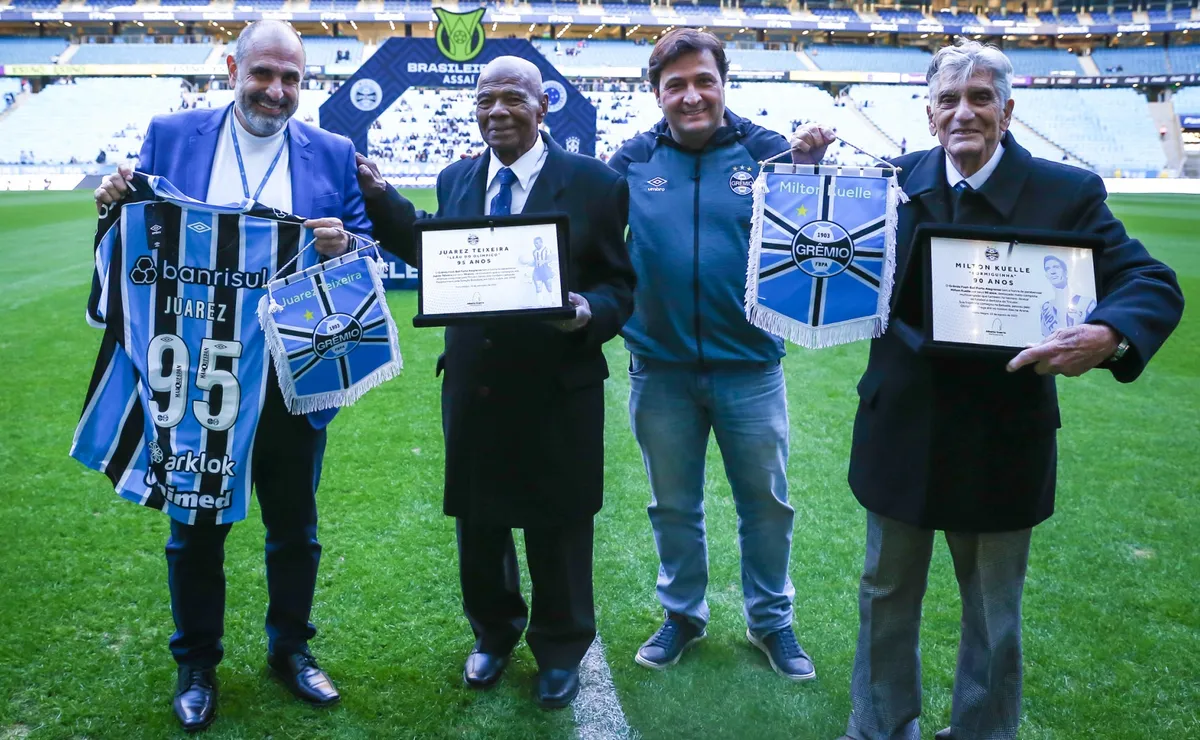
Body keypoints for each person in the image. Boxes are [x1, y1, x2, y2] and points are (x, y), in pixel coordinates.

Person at [838, 40, 1184, 740]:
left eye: (980, 98)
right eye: (948, 100)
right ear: (929, 113)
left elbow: (1150, 282)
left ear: (1008, 109)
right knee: (885, 596)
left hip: (1003, 436)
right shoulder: (885, 182)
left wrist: (1108, 333)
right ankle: (878, 728)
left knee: (994, 613)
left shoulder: (1067, 191)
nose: (963, 112)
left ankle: (982, 733)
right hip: (900, 426)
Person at [92, 20, 371, 732]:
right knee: (194, 526)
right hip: (199, 371)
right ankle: (196, 661)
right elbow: (135, 225)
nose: (276, 92)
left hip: (289, 374)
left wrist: (344, 245)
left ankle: (291, 651)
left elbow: (367, 251)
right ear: (232, 68)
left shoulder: (334, 152)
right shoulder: (172, 133)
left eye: (291, 80)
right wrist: (110, 198)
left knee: (295, 528)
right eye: (264, 75)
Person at [355, 56, 635, 709]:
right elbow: (433, 250)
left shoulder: (595, 183)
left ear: (543, 108)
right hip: (476, 385)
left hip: (558, 388)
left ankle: (561, 647)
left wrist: (589, 312)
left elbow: (621, 285)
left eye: (513, 98)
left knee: (559, 524)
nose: (497, 111)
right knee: (480, 522)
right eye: (486, 100)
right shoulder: (457, 177)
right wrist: (379, 198)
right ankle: (493, 633)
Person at [606, 28, 836, 681]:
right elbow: (588, 234)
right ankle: (683, 614)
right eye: (674, 84)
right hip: (660, 368)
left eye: (702, 80)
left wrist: (813, 166)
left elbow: (818, 227)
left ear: (722, 83)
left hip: (751, 368)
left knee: (766, 504)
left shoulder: (768, 151)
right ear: (657, 93)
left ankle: (770, 621)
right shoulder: (634, 158)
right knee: (672, 504)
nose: (690, 95)